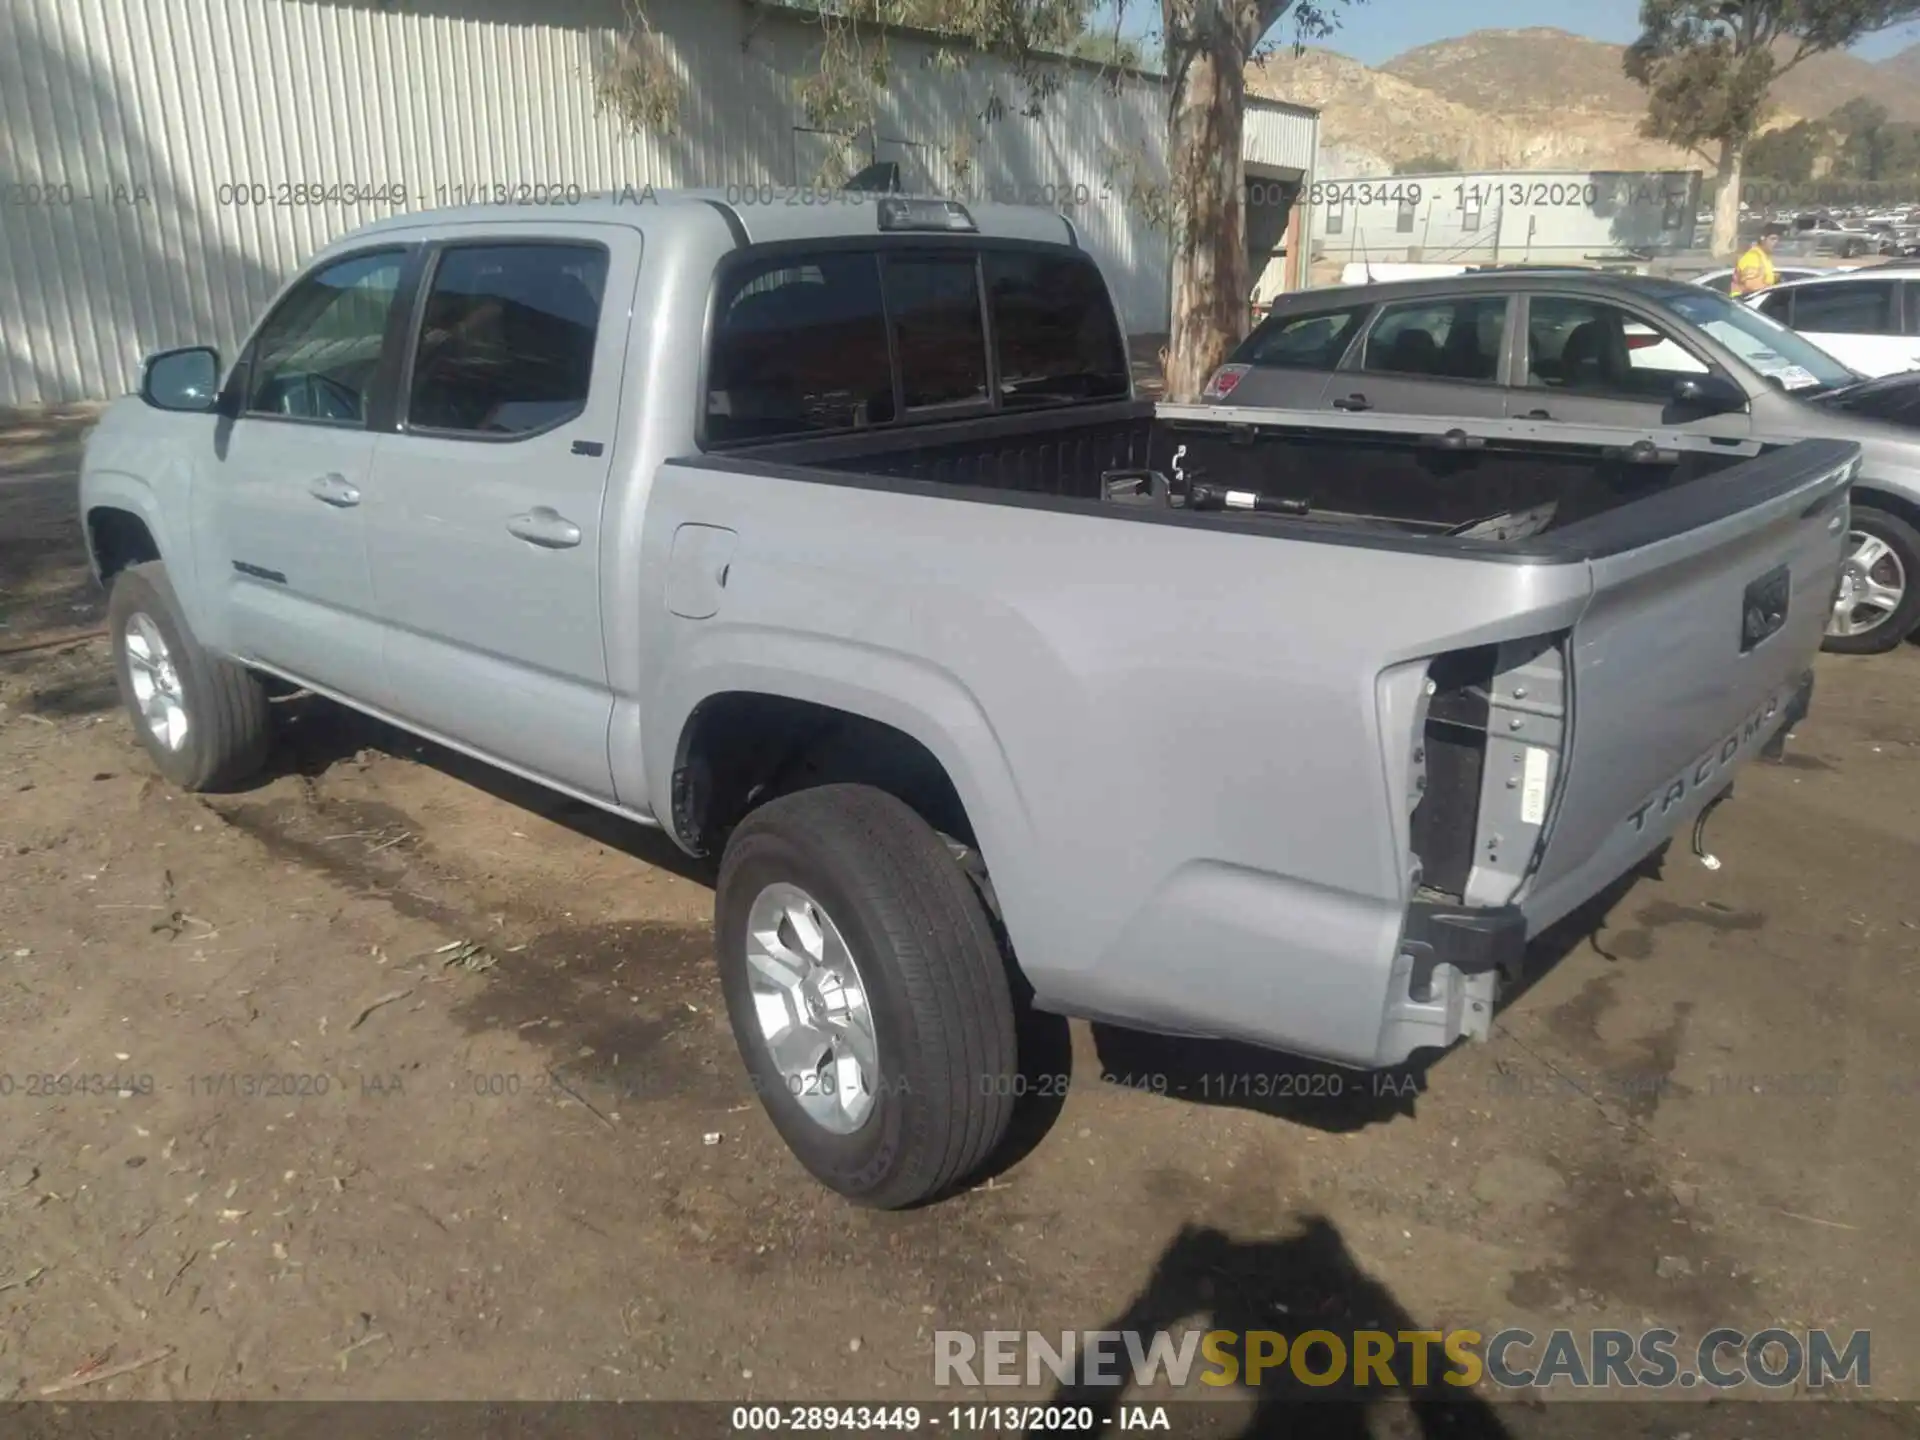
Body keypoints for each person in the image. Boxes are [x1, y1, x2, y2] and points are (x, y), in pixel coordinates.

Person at [1732, 222, 1786, 295]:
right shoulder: (1752, 257)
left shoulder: (1764, 257)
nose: (1776, 243)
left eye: (1778, 240)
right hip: (1742, 302)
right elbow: (1752, 285)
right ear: (1762, 238)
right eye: (1773, 239)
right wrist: (1773, 289)